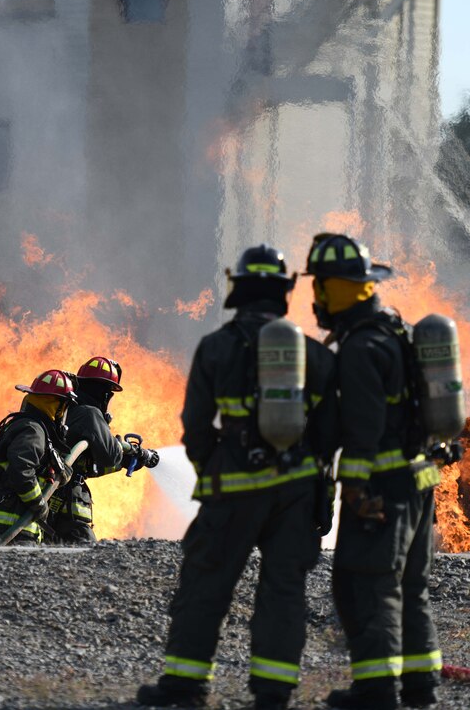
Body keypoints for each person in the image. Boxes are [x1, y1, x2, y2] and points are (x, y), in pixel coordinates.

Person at [136, 244, 338, 710]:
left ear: (239, 289)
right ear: (284, 292)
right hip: (296, 494)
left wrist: (215, 474)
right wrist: (320, 494)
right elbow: (331, 435)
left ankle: (184, 687)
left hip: (234, 490)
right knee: (283, 592)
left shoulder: (216, 348)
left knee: (206, 584)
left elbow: (195, 425)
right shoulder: (315, 356)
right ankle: (273, 694)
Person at [304, 233, 442, 710]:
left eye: (321, 285)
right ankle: (421, 686)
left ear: (339, 287)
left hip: (384, 488)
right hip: (420, 480)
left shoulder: (362, 348)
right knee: (410, 585)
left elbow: (362, 432)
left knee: (367, 583)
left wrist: (357, 490)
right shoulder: (394, 332)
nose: (316, 296)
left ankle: (377, 691)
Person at [48, 356, 160, 543]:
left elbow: (86, 464)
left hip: (50, 499)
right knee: (86, 556)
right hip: (68, 504)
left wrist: (125, 461)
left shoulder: (66, 410)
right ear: (106, 393)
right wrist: (133, 453)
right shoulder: (90, 414)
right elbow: (110, 456)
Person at [0, 369, 77, 545]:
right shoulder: (33, 430)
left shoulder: (27, 426)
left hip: (8, 526)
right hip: (14, 528)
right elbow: (21, 470)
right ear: (56, 404)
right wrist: (39, 503)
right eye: (64, 405)